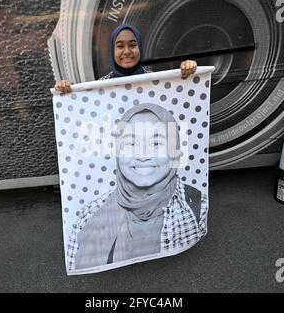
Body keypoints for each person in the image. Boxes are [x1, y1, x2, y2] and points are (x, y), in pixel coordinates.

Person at [66, 103, 208, 271]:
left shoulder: (197, 205)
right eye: (131, 144)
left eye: (156, 143)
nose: (143, 155)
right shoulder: (87, 217)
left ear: (174, 151)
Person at [55, 24, 197, 93]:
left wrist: (186, 74)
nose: (127, 51)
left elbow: (180, 97)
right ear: (112, 50)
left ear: (140, 48)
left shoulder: (156, 82)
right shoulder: (101, 86)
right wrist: (68, 90)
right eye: (120, 46)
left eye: (132, 45)